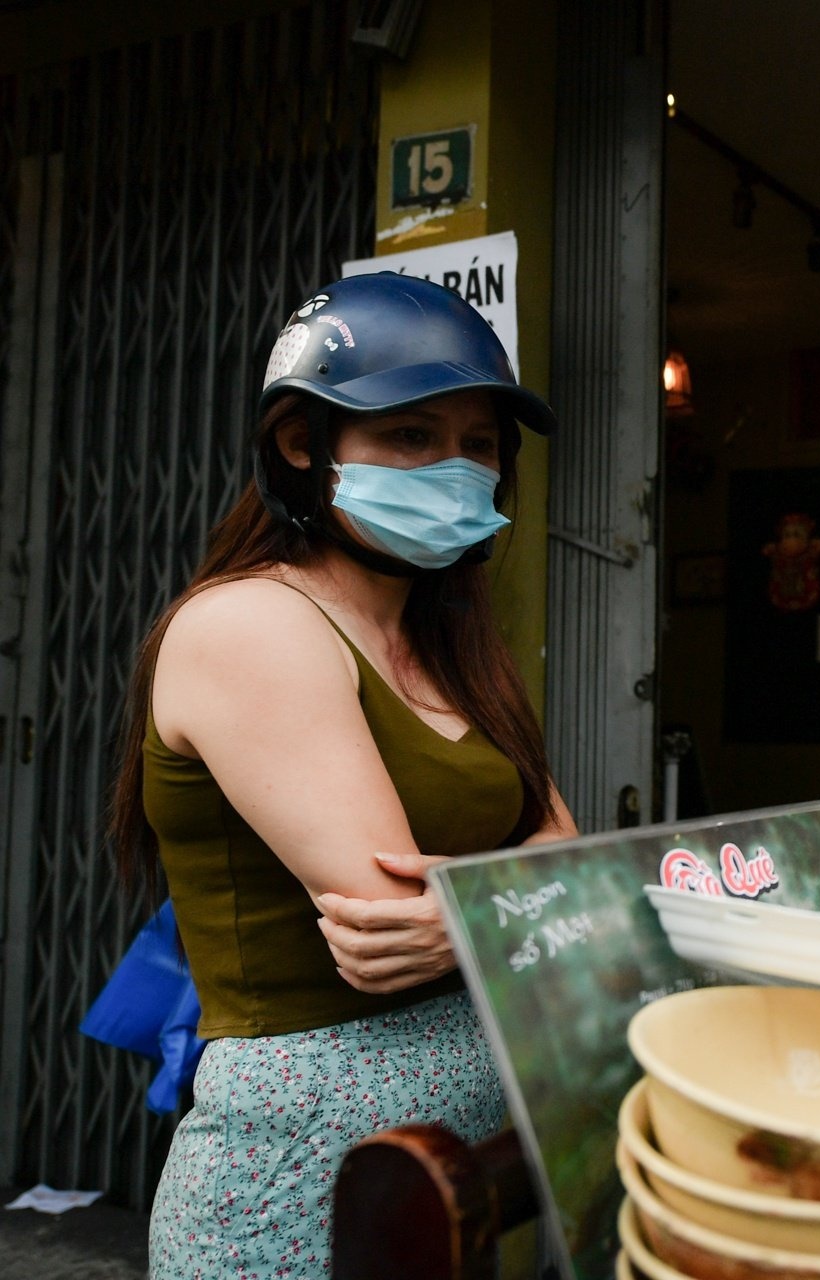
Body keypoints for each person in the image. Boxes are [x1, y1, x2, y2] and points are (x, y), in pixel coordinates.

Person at [109, 272, 578, 1276]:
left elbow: (571, 862)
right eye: (411, 435)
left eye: (480, 443)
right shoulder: (253, 623)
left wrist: (472, 910)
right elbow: (385, 925)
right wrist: (516, 900)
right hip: (301, 1184)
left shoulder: (451, 649)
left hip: (453, 1182)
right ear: (300, 442)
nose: (457, 468)